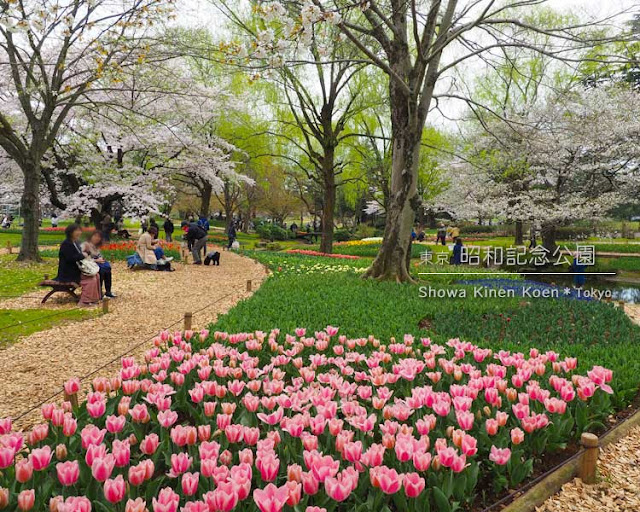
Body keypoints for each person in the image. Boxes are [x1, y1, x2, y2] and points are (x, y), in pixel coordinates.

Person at [55, 224, 101, 305]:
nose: (79, 233)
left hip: (77, 269)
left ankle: (94, 298)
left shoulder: (76, 242)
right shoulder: (67, 244)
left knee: (96, 275)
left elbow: (82, 254)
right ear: (70, 232)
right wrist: (82, 255)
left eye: (79, 231)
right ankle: (85, 301)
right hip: (68, 272)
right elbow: (70, 258)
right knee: (90, 279)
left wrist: (87, 251)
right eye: (76, 231)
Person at [82, 231, 116, 298]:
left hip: (96, 263)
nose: (97, 238)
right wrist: (95, 260)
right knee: (101, 271)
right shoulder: (85, 245)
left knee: (107, 268)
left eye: (99, 237)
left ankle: (108, 291)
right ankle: (98, 292)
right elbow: (82, 258)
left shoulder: (96, 246)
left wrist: (100, 259)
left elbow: (98, 255)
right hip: (88, 265)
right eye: (95, 236)